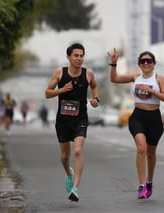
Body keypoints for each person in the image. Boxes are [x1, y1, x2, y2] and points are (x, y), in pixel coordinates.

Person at [107, 49, 164, 199]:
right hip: (138, 117)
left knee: (151, 153)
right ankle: (142, 185)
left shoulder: (159, 79)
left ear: (154, 64)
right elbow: (114, 79)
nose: (146, 64)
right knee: (141, 148)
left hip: (154, 118)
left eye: (149, 61)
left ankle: (149, 181)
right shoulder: (135, 77)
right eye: (143, 61)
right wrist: (113, 63)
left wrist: (151, 91)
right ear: (139, 64)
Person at [45, 43, 99, 202]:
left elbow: (95, 86)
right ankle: (69, 173)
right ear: (68, 57)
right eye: (76, 55)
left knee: (77, 152)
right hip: (63, 120)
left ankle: (75, 189)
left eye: (81, 55)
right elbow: (47, 93)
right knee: (64, 156)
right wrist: (61, 90)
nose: (79, 58)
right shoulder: (59, 73)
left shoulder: (88, 73)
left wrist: (95, 98)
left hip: (80, 119)